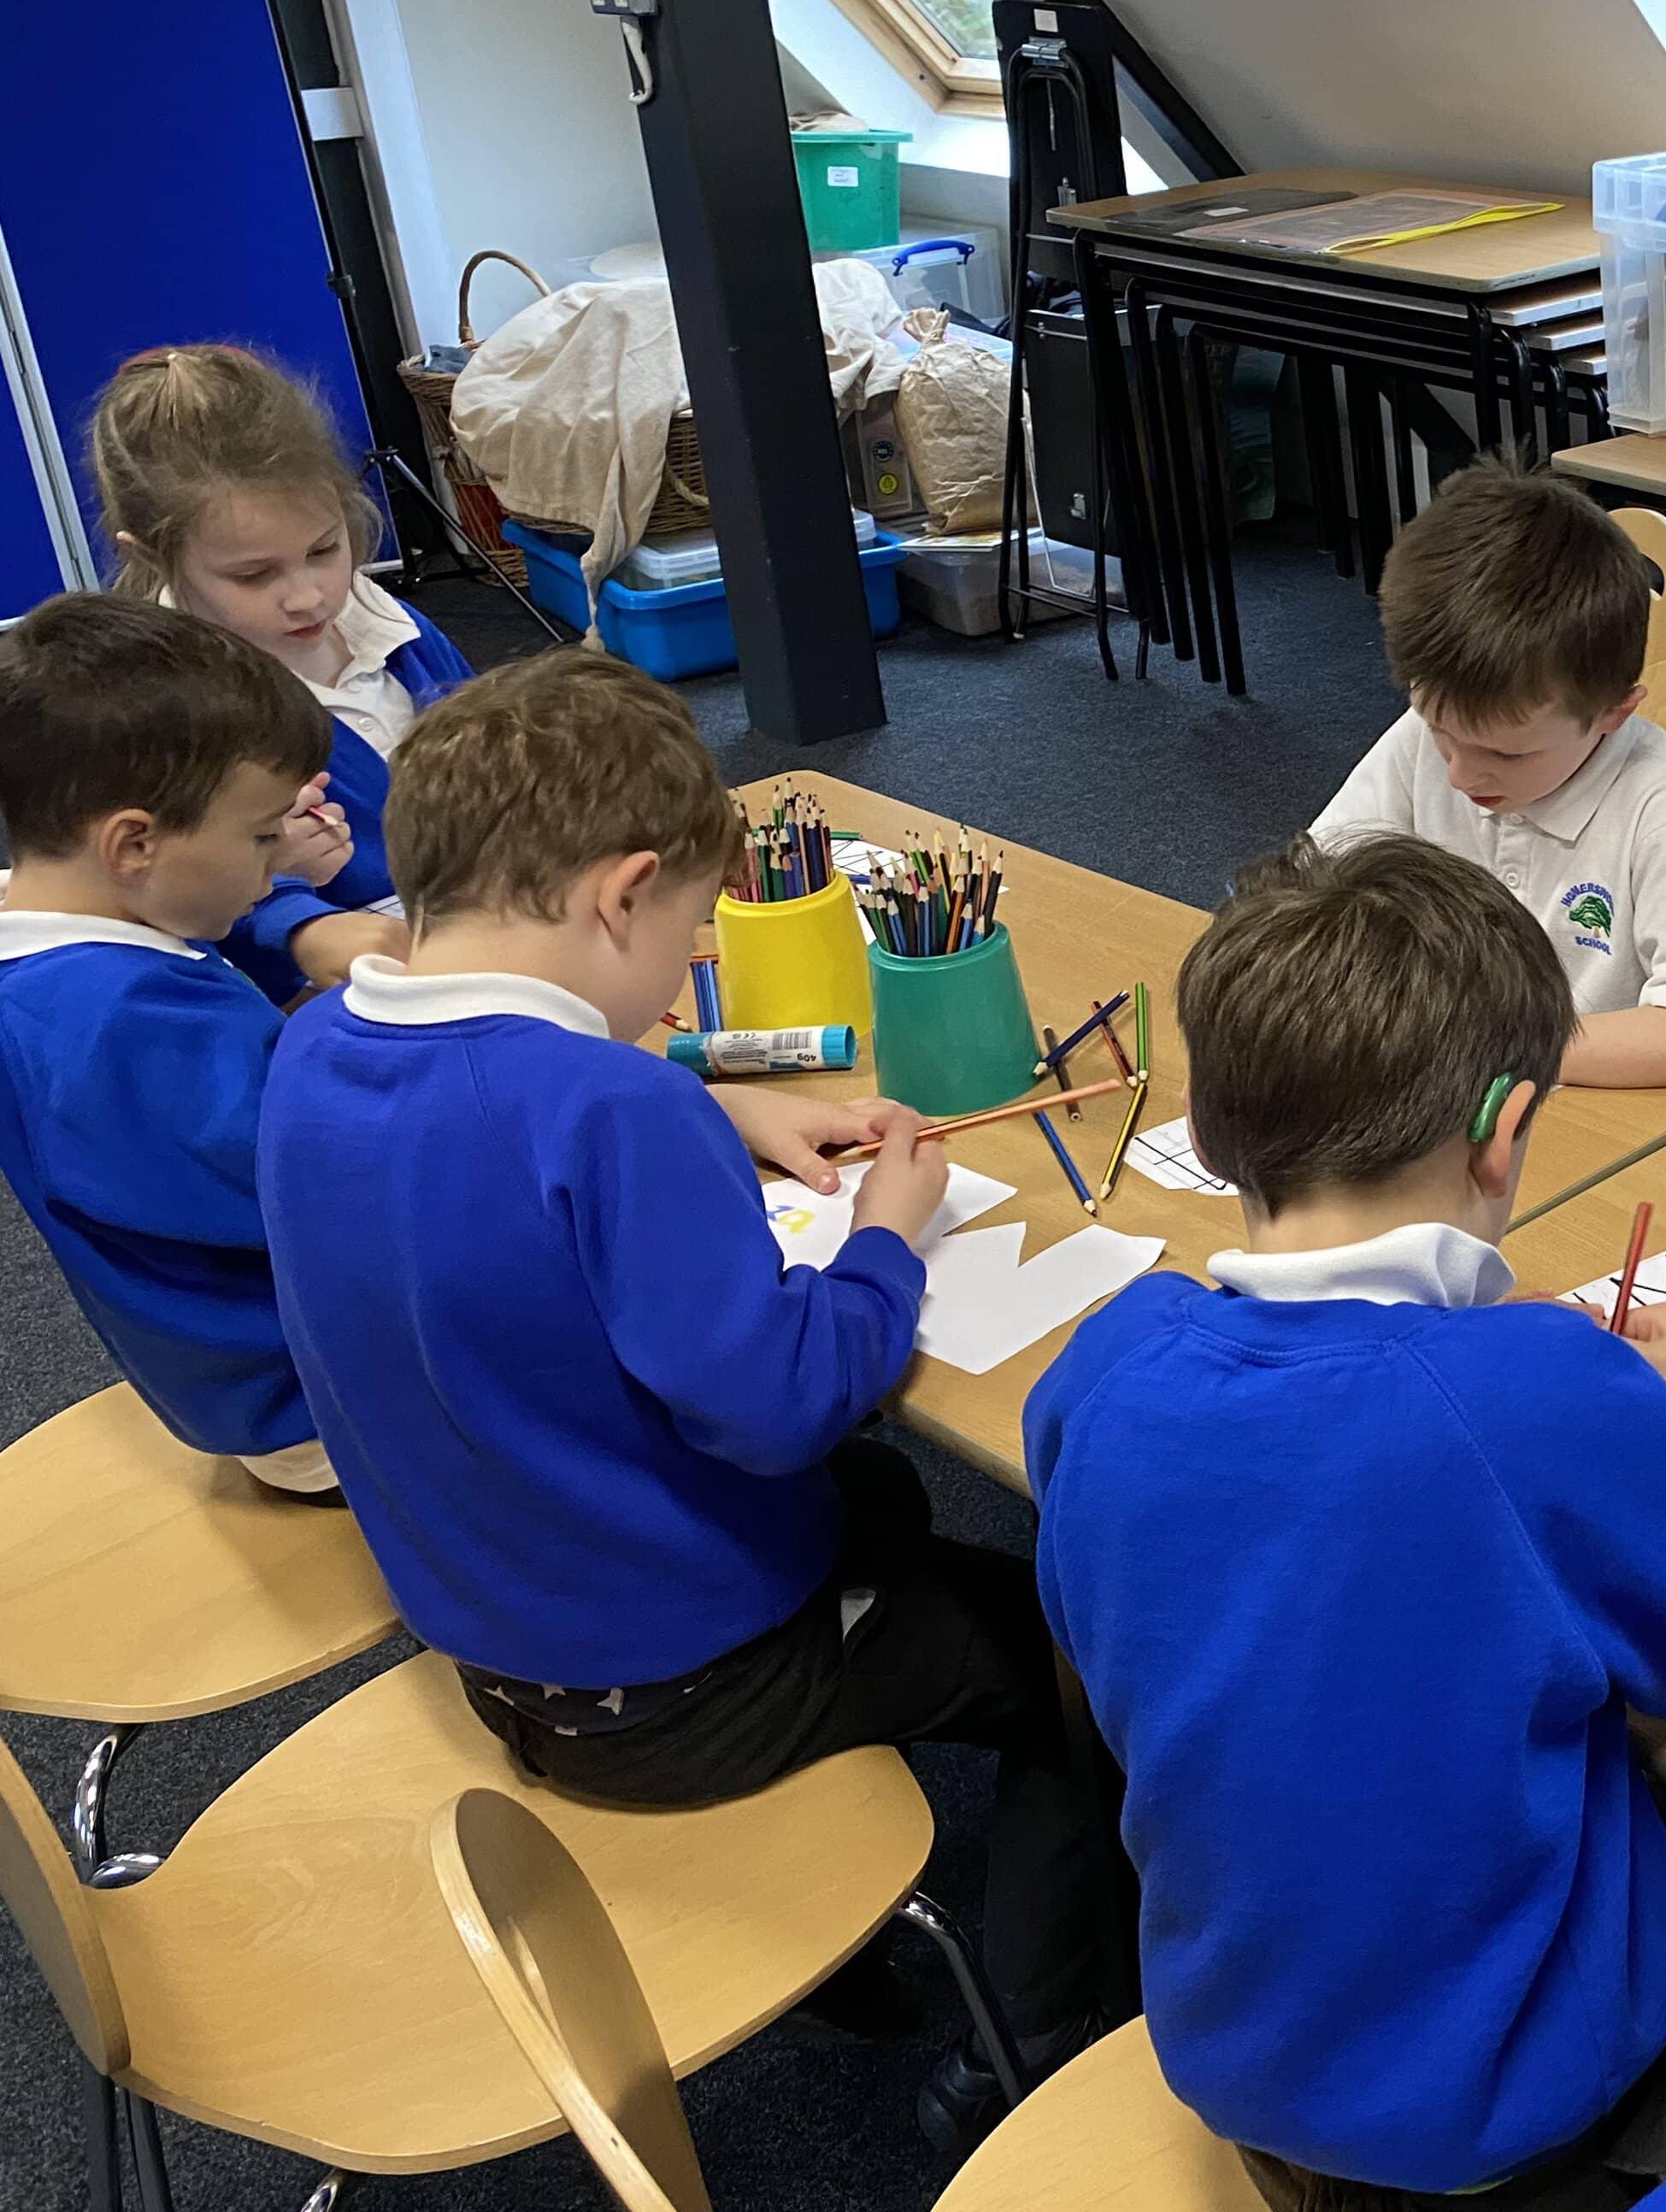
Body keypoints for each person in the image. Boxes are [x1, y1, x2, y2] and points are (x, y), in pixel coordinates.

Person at [256, 650, 1131, 2138]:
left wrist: (705, 1106)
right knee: (1082, 1652)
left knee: (885, 1494)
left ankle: (851, 1945)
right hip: (679, 1692)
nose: (687, 980)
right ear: (623, 895)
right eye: (688, 937)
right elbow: (784, 1403)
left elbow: (485, 1156)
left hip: (500, 1626)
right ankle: (1037, 2042)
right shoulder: (614, 1107)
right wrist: (884, 1240)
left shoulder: (312, 1043)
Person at [1029, 834, 1666, 2209]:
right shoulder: (1527, 1397)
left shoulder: (1109, 1360)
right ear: (1505, 1130)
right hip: (1511, 2135)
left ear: (1210, 1127)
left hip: (1249, 2075)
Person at [0, 595, 344, 1491]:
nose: (275, 862)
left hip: (253, 1375)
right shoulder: (124, 1021)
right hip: (321, 1401)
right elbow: (335, 1188)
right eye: (261, 835)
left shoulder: (60, 942)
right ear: (132, 845)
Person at [1312, 456, 1666, 1091]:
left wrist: (1480, 1047)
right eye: (1440, 731)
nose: (1460, 775)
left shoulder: (1663, 806)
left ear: (1613, 714)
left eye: (1508, 755)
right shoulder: (1422, 742)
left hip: (1609, 1118)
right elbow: (1309, 891)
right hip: (1458, 1100)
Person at [91, 343, 474, 1001]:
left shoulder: (392, 626)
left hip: (474, 920)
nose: (307, 596)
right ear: (153, 556)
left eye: (324, 549)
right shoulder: (164, 708)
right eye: (253, 575)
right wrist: (277, 882)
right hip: (325, 990)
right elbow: (163, 910)